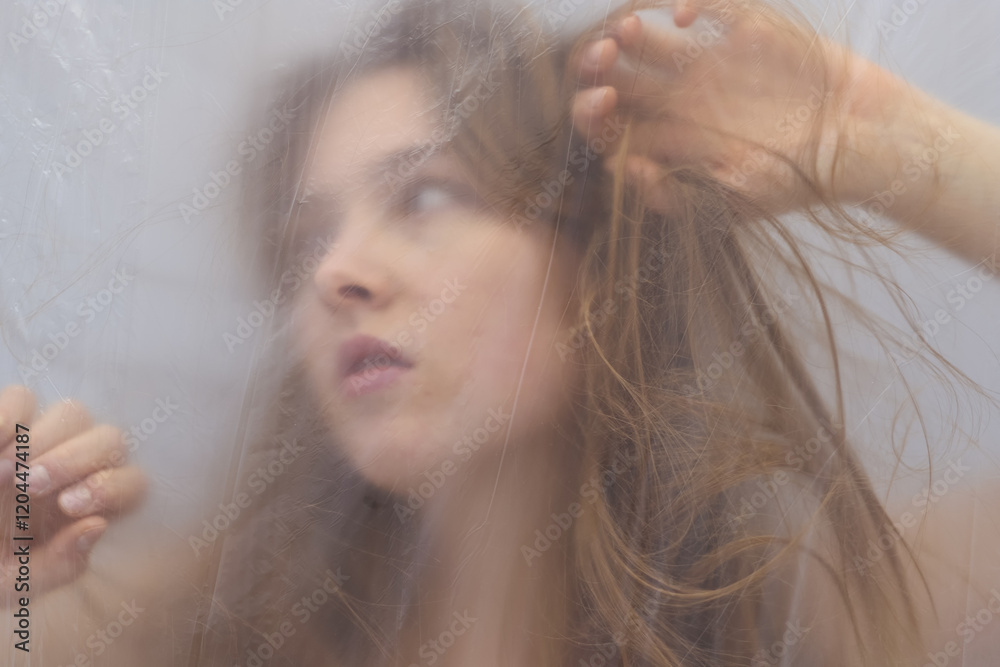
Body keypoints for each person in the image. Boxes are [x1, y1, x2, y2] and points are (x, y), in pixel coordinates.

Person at [2, 0, 999, 665]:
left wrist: (888, 150)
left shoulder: (816, 603)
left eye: (426, 196)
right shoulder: (183, 621)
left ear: (594, 265)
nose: (336, 271)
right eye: (308, 234)